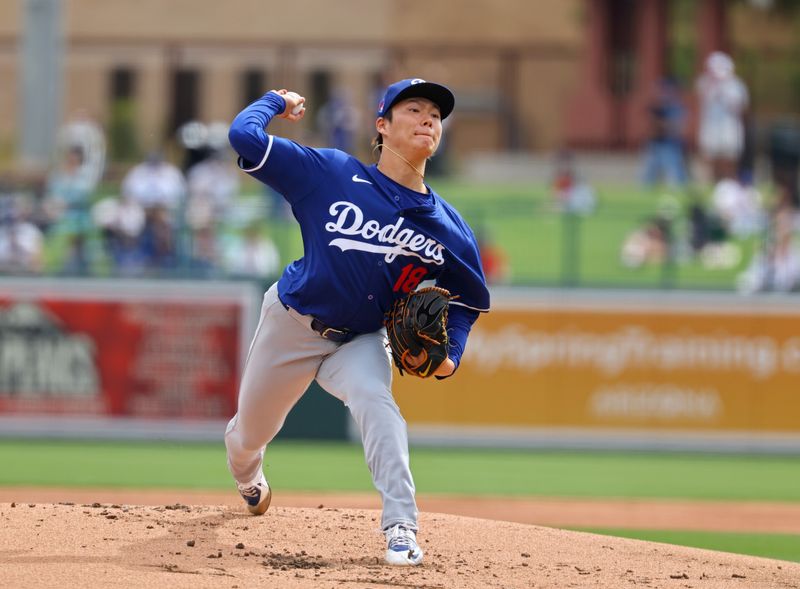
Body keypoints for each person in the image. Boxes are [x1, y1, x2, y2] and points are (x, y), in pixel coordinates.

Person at [224, 78, 490, 566]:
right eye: (414, 109)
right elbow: (244, 138)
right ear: (382, 125)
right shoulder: (330, 174)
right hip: (292, 322)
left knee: (377, 402)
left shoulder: (448, 227)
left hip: (362, 339)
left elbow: (469, 302)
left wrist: (450, 353)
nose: (429, 118)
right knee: (249, 436)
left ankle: (401, 528)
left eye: (435, 113)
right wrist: (275, 102)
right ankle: (248, 475)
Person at [695, 51, 749, 183]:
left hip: (729, 127)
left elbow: (741, 106)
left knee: (729, 157)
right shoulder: (704, 82)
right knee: (710, 156)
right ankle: (711, 183)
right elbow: (701, 97)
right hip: (711, 126)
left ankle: (729, 182)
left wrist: (724, 90)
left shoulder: (736, 85)